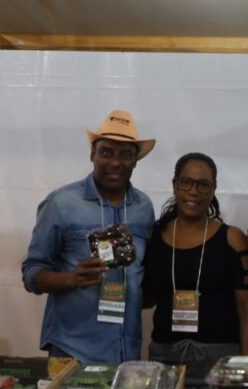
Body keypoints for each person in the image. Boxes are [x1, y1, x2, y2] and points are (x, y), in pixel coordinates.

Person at [22, 110, 157, 363]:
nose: (115, 162)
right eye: (106, 152)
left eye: (125, 154)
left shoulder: (144, 207)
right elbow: (31, 273)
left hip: (126, 352)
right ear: (92, 154)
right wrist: (71, 278)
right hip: (73, 350)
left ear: (135, 161)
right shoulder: (60, 204)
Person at [143, 153, 248, 384]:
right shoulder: (154, 235)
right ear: (175, 185)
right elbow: (147, 299)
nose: (194, 191)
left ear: (213, 189)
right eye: (186, 182)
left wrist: (244, 370)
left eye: (203, 184)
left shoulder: (232, 239)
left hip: (220, 360)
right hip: (165, 358)